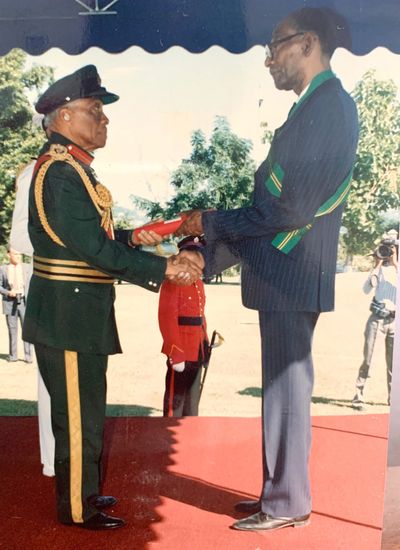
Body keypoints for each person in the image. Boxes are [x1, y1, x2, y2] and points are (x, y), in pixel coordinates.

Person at [175, 7, 359, 532]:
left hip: (291, 272)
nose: (268, 59)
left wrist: (207, 223)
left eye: (274, 46)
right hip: (287, 270)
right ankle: (279, 494)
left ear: (306, 43)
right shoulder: (318, 107)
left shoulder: (326, 108)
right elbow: (271, 216)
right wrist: (207, 255)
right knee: (285, 390)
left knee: (286, 390)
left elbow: (290, 211)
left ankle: (284, 503)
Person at [22, 64, 202, 531]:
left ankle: (84, 493)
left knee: (87, 411)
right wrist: (164, 268)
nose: (105, 120)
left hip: (78, 311)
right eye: (95, 111)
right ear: (63, 117)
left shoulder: (73, 170)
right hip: (67, 314)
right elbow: (93, 250)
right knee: (77, 417)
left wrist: (135, 237)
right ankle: (78, 509)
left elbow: (92, 237)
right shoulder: (61, 172)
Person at [10, 113, 55, 477]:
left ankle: (73, 462)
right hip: (53, 291)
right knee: (52, 385)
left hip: (81, 295)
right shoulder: (34, 173)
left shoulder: (79, 173)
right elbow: (20, 238)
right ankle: (55, 461)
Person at [158, 236, 209, 417]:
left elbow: (200, 316)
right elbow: (167, 318)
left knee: (192, 403)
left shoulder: (199, 283)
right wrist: (175, 351)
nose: (192, 264)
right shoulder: (172, 282)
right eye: (188, 258)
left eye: (196, 258)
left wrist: (205, 345)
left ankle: (190, 439)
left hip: (197, 349)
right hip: (181, 348)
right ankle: (167, 435)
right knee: (175, 402)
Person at [352, 232, 398, 410]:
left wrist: (395, 264)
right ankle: (358, 395)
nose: (388, 252)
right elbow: (366, 289)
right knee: (368, 359)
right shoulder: (380, 269)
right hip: (377, 320)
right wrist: (377, 265)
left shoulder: (396, 268)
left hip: (395, 321)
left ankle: (392, 399)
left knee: (394, 363)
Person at [0, 247, 33, 363]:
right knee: (12, 330)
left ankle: (28, 356)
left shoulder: (27, 268)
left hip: (24, 302)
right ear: (9, 255)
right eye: (15, 254)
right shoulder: (3, 269)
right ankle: (13, 356)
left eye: (19, 254)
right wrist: (8, 292)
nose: (18, 256)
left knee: (27, 330)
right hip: (9, 302)